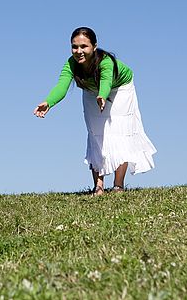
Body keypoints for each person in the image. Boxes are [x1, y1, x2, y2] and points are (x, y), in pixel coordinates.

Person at [34, 27, 156, 196]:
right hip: (92, 92)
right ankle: (98, 187)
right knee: (96, 134)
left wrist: (103, 95)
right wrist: (49, 102)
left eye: (84, 46)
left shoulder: (105, 62)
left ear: (94, 46)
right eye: (74, 47)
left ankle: (118, 185)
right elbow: (62, 85)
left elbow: (106, 81)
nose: (78, 51)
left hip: (120, 89)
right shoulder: (71, 63)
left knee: (121, 133)